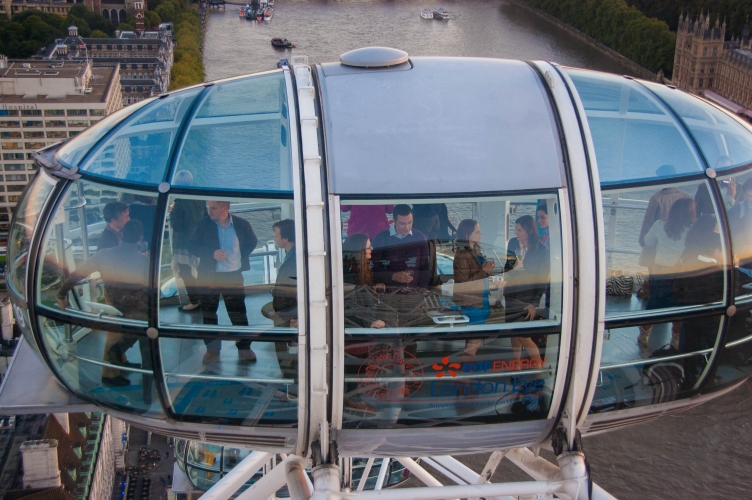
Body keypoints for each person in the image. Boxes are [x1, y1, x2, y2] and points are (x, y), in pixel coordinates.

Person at [56, 220, 151, 389]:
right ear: (140, 238)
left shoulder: (104, 255)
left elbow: (77, 274)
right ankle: (110, 374)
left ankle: (121, 361)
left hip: (113, 302)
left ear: (122, 234)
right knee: (120, 336)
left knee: (117, 333)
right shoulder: (144, 261)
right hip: (135, 307)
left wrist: (61, 294)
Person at [192, 200, 258, 364]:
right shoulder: (203, 225)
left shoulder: (242, 225)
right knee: (209, 314)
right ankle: (212, 350)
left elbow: (252, 242)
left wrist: (240, 256)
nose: (209, 211)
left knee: (238, 313)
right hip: (209, 277)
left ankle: (244, 348)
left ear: (225, 207)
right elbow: (192, 246)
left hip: (233, 277)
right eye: (208, 207)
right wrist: (212, 253)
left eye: (213, 208)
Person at [639, 198, 697, 347]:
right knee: (678, 308)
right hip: (681, 273)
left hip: (660, 271)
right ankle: (675, 340)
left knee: (653, 305)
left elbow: (648, 241)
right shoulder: (693, 229)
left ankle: (644, 336)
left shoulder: (660, 225)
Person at [504, 215, 549, 361]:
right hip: (511, 294)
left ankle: (538, 369)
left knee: (524, 336)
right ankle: (516, 366)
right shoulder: (512, 243)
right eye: (515, 229)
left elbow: (542, 280)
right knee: (514, 332)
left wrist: (534, 303)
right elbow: (507, 267)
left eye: (520, 230)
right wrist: (512, 269)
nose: (516, 233)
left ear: (529, 231)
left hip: (527, 297)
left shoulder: (542, 250)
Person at [453, 219, 497, 359]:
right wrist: (483, 271)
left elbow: (478, 274)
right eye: (477, 232)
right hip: (472, 302)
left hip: (480, 299)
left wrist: (487, 270)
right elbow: (463, 284)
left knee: (472, 339)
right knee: (475, 341)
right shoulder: (462, 254)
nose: (481, 233)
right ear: (467, 235)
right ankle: (466, 370)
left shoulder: (475, 249)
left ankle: (465, 369)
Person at [169, 171, 206, 311]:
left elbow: (177, 226)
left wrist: (172, 212)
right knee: (199, 270)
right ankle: (204, 298)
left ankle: (195, 301)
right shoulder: (198, 198)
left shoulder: (179, 203)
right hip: (198, 240)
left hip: (183, 243)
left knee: (185, 272)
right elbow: (205, 217)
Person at [371, 204, 430, 289]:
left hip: (414, 291)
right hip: (388, 291)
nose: (407, 227)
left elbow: (425, 266)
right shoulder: (381, 238)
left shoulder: (420, 237)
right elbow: (372, 266)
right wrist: (392, 276)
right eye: (402, 224)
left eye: (410, 222)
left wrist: (423, 289)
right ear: (394, 221)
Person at [342, 233, 391, 329]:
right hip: (361, 326)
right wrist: (369, 323)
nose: (372, 248)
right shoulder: (349, 276)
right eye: (368, 247)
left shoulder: (361, 270)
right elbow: (350, 308)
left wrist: (371, 288)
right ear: (359, 250)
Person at [638, 166, 688, 248]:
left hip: (660, 240)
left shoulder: (656, 198)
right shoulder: (685, 196)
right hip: (679, 238)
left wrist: (643, 241)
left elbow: (648, 222)